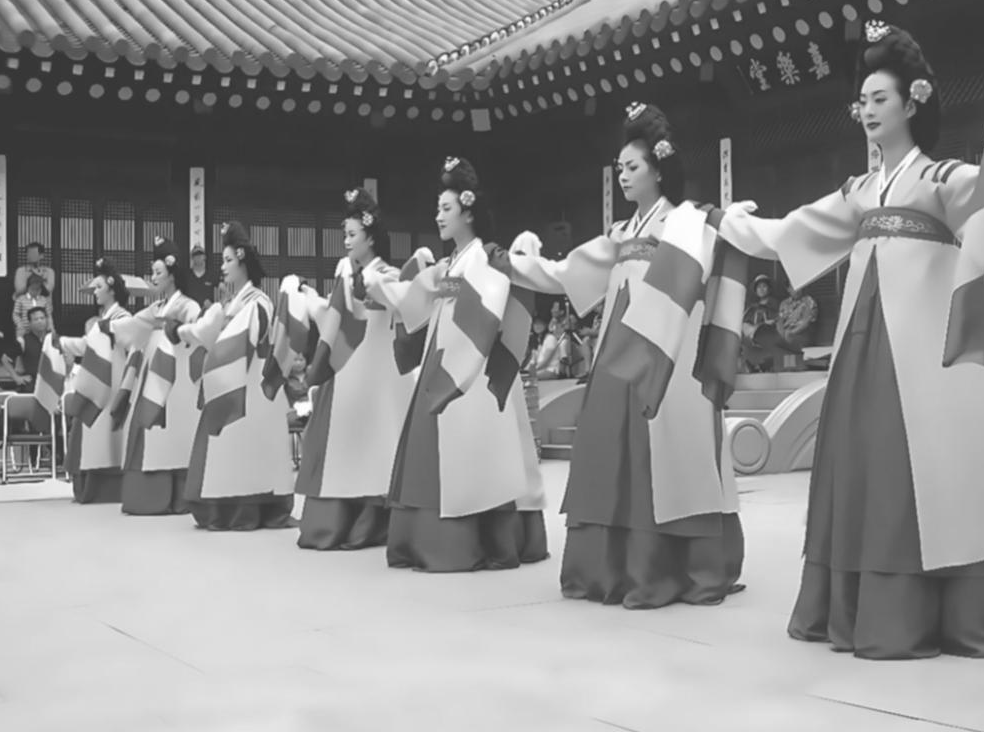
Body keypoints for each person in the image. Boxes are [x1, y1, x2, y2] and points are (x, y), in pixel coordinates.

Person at [715, 22, 984, 659]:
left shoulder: (945, 179)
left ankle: (940, 601)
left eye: (879, 99)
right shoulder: (857, 192)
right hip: (864, 345)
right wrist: (737, 223)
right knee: (865, 461)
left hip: (926, 347)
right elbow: (795, 230)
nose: (866, 111)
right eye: (861, 101)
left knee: (926, 463)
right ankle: (864, 599)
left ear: (913, 102)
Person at [509, 103, 744, 609]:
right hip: (616, 357)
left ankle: (668, 566)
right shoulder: (619, 235)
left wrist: (736, 222)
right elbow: (564, 273)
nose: (623, 176)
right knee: (611, 449)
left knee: (666, 453)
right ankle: (609, 567)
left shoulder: (685, 222)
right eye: (619, 169)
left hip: (669, 354)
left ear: (660, 169)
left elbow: (716, 258)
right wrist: (512, 264)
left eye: (633, 167)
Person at [368, 157, 546, 572]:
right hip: (443, 352)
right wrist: (392, 287)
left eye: (446, 208)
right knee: (438, 448)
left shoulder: (484, 258)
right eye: (438, 208)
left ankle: (466, 541)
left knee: (469, 457)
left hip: (470, 363)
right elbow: (425, 294)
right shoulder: (452, 264)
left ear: (468, 211)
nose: (438, 216)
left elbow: (483, 306)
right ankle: (430, 536)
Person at [292, 188, 417, 551]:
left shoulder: (388, 275)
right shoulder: (345, 275)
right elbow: (331, 320)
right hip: (347, 370)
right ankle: (343, 520)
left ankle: (375, 520)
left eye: (352, 234)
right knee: (345, 443)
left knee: (379, 442)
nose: (346, 241)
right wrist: (310, 298)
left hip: (381, 374)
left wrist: (377, 288)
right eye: (344, 235)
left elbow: (409, 300)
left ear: (371, 236)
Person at [173, 222, 295, 530]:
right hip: (236, 381)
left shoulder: (257, 302)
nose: (223, 267)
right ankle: (229, 504)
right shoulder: (234, 303)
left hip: (250, 385)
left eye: (228, 260)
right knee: (232, 447)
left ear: (242, 261)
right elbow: (212, 336)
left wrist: (202, 330)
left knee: (244, 447)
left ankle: (246, 507)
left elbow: (235, 343)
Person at [113, 238, 203, 516]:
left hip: (179, 379)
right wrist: (108, 325)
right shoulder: (155, 308)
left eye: (158, 273)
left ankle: (179, 495)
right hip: (153, 375)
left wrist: (176, 327)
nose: (153, 278)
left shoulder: (188, 306)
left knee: (175, 431)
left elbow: (197, 331)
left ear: (173, 274)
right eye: (152, 273)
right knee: (149, 430)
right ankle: (151, 495)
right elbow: (131, 326)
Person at [58, 258, 131, 504]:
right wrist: (64, 342)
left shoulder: (122, 318)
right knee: (91, 429)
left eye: (99, 287)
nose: (95, 292)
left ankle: (108, 488)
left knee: (108, 434)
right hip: (97, 380)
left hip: (114, 382)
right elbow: (88, 346)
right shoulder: (103, 320)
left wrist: (67, 342)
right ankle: (90, 487)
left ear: (112, 289)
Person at [12, 272, 53, 340]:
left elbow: (48, 315)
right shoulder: (21, 299)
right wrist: (20, 325)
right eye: (33, 289)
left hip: (41, 331)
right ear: (28, 288)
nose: (35, 291)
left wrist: (50, 326)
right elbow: (15, 314)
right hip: (24, 330)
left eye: (38, 289)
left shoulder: (44, 300)